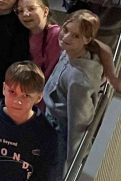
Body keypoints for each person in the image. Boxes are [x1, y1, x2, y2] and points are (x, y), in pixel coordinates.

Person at [17, 0, 121, 96]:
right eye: (20, 11)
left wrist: (112, 78)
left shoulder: (58, 34)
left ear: (45, 11)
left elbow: (103, 49)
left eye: (31, 9)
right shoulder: (23, 35)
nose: (25, 14)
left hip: (55, 93)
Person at [42, 11, 105, 166]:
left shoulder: (79, 80)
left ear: (87, 39)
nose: (66, 37)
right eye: (65, 30)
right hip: (48, 126)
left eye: (76, 36)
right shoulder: (68, 52)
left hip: (59, 137)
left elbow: (78, 125)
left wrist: (72, 162)